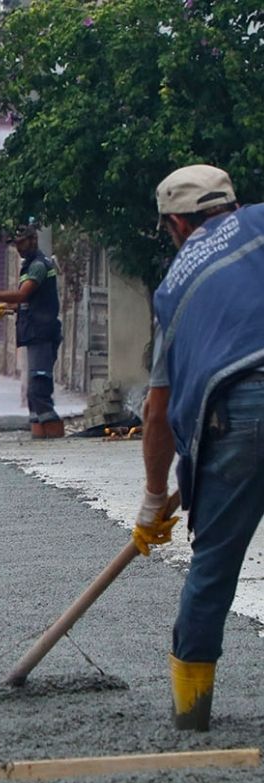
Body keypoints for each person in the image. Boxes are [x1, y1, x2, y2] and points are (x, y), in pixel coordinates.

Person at [132, 164, 264, 732]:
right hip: (238, 414)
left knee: (213, 563)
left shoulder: (174, 288)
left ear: (178, 224)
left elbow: (158, 409)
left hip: (237, 416)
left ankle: (192, 715)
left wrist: (153, 498)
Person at [0, 224, 64, 438]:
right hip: (33, 333)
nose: (18, 248)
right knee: (33, 397)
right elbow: (29, 301)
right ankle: (39, 442)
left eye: (21, 242)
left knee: (39, 390)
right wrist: (7, 309)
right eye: (16, 244)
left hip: (42, 333)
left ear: (33, 240)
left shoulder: (39, 266)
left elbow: (23, 295)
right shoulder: (30, 265)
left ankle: (57, 443)